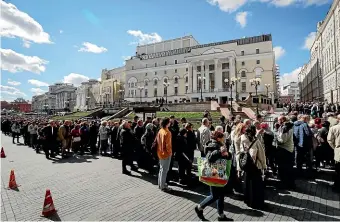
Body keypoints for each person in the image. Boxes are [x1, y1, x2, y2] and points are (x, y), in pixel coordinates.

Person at [194, 131, 232, 221]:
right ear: (218, 138)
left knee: (221, 195)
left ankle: (221, 215)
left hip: (219, 173)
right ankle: (199, 207)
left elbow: (225, 156)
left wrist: (227, 154)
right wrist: (219, 151)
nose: (224, 139)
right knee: (215, 196)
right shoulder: (211, 146)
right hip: (214, 173)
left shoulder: (219, 145)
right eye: (222, 137)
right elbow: (210, 158)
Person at [241, 125, 266, 209]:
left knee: (247, 184)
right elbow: (261, 155)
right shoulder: (256, 141)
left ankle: (248, 200)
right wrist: (263, 166)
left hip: (247, 166)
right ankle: (256, 202)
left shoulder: (243, 140)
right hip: (255, 166)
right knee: (256, 186)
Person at [276, 116, 295, 189]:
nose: (277, 121)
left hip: (284, 150)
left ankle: (285, 184)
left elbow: (282, 141)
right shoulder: (289, 127)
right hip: (289, 149)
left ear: (282, 120)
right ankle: (289, 183)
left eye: (278, 120)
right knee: (288, 168)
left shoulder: (285, 128)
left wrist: (276, 137)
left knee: (284, 168)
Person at [156, 117, 172, 192]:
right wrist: (170, 153)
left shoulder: (160, 130)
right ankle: (163, 186)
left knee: (161, 169)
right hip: (165, 153)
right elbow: (168, 145)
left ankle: (160, 184)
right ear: (167, 123)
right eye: (169, 122)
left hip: (160, 152)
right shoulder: (167, 132)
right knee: (165, 170)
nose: (170, 123)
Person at [327, 114, 340, 193]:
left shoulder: (333, 128)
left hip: (338, 151)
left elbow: (329, 140)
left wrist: (334, 148)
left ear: (338, 119)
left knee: (338, 171)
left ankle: (337, 187)